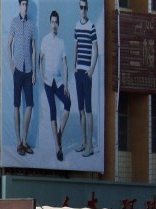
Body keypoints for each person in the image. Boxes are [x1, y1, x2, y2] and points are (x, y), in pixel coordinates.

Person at [40, 10, 71, 162]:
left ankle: (59, 133)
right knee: (53, 110)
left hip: (58, 82)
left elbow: (65, 63)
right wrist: (41, 75)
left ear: (58, 24)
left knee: (68, 103)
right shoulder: (45, 40)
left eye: (56, 22)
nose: (54, 25)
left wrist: (66, 85)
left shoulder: (62, 42)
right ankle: (58, 148)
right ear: (50, 23)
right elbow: (40, 59)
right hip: (48, 82)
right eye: (52, 22)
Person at [8, 0, 37, 156]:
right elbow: (9, 44)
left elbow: (33, 49)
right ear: (19, 6)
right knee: (16, 106)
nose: (25, 7)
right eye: (23, 4)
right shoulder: (14, 22)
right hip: (18, 69)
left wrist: (34, 72)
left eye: (26, 5)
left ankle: (25, 141)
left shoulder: (32, 25)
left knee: (30, 105)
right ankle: (18, 142)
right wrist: (11, 64)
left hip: (28, 71)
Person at [73, 0, 98, 157]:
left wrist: (92, 70)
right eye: (81, 7)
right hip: (78, 72)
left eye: (85, 7)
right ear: (79, 9)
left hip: (87, 73)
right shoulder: (76, 25)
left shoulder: (91, 26)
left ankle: (90, 145)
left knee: (88, 110)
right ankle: (83, 143)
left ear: (87, 9)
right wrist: (74, 66)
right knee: (81, 109)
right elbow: (75, 46)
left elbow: (96, 49)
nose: (83, 10)